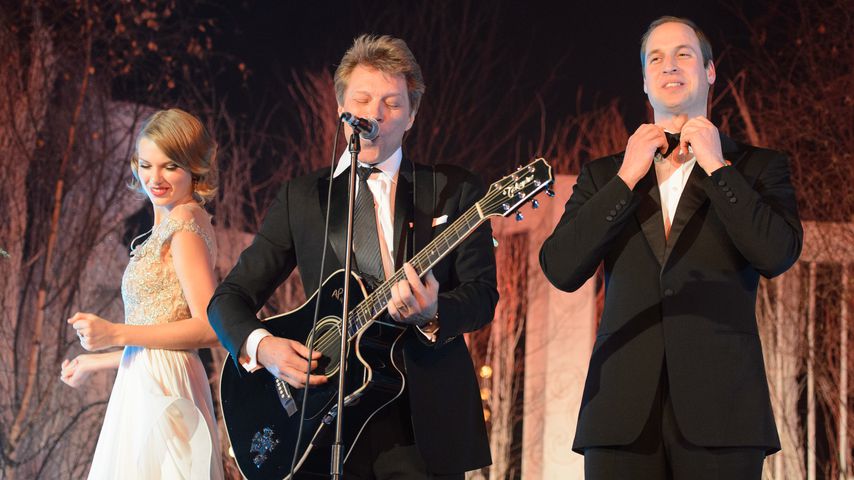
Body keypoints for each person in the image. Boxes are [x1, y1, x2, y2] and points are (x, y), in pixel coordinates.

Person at [207, 34, 497, 479]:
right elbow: (228, 299)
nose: (374, 114)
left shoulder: (453, 189)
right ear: (342, 107)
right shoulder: (302, 198)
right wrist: (264, 348)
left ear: (412, 115)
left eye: (392, 103)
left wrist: (435, 312)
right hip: (323, 421)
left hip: (420, 423)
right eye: (362, 100)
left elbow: (482, 295)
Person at [539, 16, 802, 479]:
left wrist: (718, 169)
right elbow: (560, 268)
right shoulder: (606, 174)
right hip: (620, 413)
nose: (670, 66)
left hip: (724, 411)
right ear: (644, 81)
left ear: (710, 71)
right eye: (656, 58)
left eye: (684, 54)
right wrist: (626, 178)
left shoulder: (757, 168)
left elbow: (777, 253)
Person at [60, 108, 225, 480]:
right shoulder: (172, 222)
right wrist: (96, 361)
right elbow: (160, 336)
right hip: (145, 383)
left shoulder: (184, 224)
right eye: (146, 165)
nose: (155, 178)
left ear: (194, 168)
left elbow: (208, 327)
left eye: (170, 166)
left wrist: (115, 333)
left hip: (166, 392)